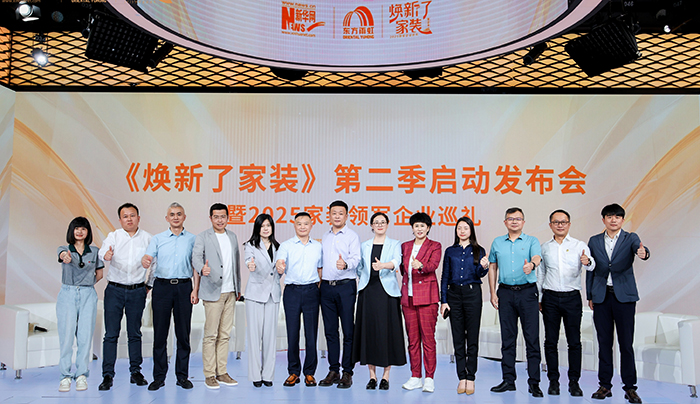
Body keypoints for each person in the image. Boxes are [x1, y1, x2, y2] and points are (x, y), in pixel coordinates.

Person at [586, 203, 649, 404]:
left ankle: (630, 388)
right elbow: (591, 268)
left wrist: (644, 253)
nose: (613, 220)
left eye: (617, 217)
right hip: (602, 297)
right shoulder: (594, 241)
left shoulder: (631, 238)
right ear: (603, 219)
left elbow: (641, 250)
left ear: (623, 219)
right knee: (604, 343)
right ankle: (605, 385)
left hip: (624, 298)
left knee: (626, 344)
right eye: (609, 216)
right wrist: (590, 295)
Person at [536, 209, 594, 397]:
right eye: (556, 222)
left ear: (569, 224)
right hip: (550, 298)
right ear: (550, 225)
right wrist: (539, 298)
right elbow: (541, 274)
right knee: (550, 341)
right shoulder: (545, 247)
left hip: (572, 298)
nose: (560, 225)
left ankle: (574, 382)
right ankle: (553, 381)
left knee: (574, 341)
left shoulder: (579, 245)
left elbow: (591, 266)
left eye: (563, 222)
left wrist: (587, 261)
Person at [488, 207, 543, 397]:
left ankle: (534, 383)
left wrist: (532, 265)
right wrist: (492, 292)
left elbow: (537, 257)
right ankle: (508, 380)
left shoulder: (531, 241)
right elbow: (492, 267)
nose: (514, 222)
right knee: (508, 339)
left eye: (518, 219)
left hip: (527, 293)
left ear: (523, 222)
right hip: (505, 293)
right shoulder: (497, 242)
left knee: (532, 339)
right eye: (510, 219)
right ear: (505, 222)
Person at [141, 202, 197, 391]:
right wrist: (145, 260)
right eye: (172, 214)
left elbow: (195, 266)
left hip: (184, 287)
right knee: (160, 335)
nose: (175, 217)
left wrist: (195, 289)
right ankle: (159, 377)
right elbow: (148, 259)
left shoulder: (192, 239)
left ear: (184, 217)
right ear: (167, 218)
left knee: (183, 335)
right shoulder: (158, 239)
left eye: (179, 214)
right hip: (162, 288)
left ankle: (182, 376)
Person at [98, 203, 152, 391]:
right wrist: (106, 255)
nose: (129, 219)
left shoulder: (147, 238)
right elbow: (102, 252)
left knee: (134, 333)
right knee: (111, 334)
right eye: (125, 216)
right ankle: (107, 375)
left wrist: (149, 285)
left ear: (138, 218)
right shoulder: (114, 236)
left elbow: (156, 263)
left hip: (137, 291)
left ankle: (135, 372)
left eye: (132, 215)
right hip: (115, 290)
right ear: (120, 220)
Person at [352, 212, 406, 390]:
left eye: (383, 222)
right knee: (369, 332)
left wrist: (383, 265)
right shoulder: (364, 245)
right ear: (371, 225)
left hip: (387, 293)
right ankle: (372, 376)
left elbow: (397, 261)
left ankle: (386, 376)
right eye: (376, 222)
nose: (380, 225)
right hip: (368, 291)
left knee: (386, 332)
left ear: (388, 224)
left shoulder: (395, 244)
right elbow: (360, 268)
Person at [192, 203, 241, 389]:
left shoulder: (232, 236)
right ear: (211, 218)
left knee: (225, 335)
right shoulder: (203, 237)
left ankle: (222, 372)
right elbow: (196, 258)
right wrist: (201, 269)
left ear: (227, 218)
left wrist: (238, 287)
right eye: (216, 217)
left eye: (223, 216)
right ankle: (209, 374)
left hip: (231, 291)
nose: (220, 220)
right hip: (213, 291)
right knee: (211, 335)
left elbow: (236, 263)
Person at [440, 217, 489, 395]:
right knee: (458, 337)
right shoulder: (450, 251)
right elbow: (445, 276)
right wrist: (444, 301)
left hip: (472, 294)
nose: (462, 231)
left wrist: (484, 267)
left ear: (471, 230)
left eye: (465, 228)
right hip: (453, 295)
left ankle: (471, 377)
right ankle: (461, 376)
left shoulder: (479, 250)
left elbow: (479, 274)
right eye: (459, 228)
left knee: (472, 337)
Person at [276, 212, 323, 387]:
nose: (302, 227)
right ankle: (293, 372)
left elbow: (320, 269)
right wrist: (280, 266)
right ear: (294, 225)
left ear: (311, 225)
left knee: (311, 334)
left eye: (306, 223)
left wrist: (316, 288)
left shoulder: (318, 246)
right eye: (299, 223)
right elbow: (280, 263)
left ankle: (309, 372)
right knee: (292, 333)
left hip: (311, 291)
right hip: (292, 291)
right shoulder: (286, 246)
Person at [56, 216, 104, 392]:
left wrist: (86, 284)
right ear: (72, 231)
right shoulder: (64, 249)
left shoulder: (95, 251)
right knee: (66, 336)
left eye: (83, 228)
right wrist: (65, 257)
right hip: (68, 293)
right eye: (77, 228)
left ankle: (82, 374)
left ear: (88, 232)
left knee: (85, 336)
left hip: (87, 294)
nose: (80, 231)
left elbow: (100, 274)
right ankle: (65, 376)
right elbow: (62, 256)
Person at [319, 200, 361, 389]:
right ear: (329, 215)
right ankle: (333, 370)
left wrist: (345, 264)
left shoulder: (352, 236)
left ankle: (347, 372)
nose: (337, 216)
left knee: (348, 330)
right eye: (333, 213)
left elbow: (356, 258)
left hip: (345, 286)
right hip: (326, 287)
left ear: (346, 216)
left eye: (340, 213)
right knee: (330, 331)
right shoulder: (325, 236)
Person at [400, 212, 442, 393]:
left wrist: (421, 266)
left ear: (428, 228)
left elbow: (433, 265)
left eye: (422, 226)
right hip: (408, 298)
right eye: (416, 226)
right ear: (412, 228)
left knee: (428, 340)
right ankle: (415, 376)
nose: (419, 229)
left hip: (427, 299)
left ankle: (429, 378)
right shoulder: (405, 246)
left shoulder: (435, 245)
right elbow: (402, 268)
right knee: (412, 340)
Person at [244, 213, 281, 388]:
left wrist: (282, 269)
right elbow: (248, 261)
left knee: (270, 337)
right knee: (254, 336)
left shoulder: (278, 246)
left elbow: (280, 268)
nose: (265, 229)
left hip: (273, 294)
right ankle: (255, 375)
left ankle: (268, 375)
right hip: (255, 294)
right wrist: (250, 265)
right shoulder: (250, 245)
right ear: (257, 228)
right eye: (262, 226)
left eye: (268, 225)